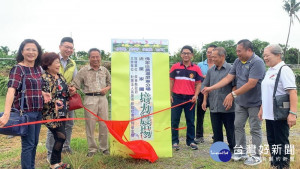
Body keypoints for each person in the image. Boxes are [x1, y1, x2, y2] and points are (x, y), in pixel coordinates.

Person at [202, 39, 265, 166]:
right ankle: (241, 152)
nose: (237, 53)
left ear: (248, 50)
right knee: (238, 126)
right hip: (241, 102)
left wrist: (233, 94)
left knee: (255, 129)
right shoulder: (238, 61)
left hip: (255, 102)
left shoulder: (257, 62)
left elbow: (251, 83)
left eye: (239, 51)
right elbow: (228, 78)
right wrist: (211, 88)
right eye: (236, 50)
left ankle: (256, 155)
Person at [0, 39, 49, 169]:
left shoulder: (38, 69)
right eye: (28, 49)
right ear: (22, 51)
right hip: (26, 113)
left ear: (38, 53)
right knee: (28, 145)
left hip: (38, 112)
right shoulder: (18, 69)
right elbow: (11, 91)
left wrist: (44, 94)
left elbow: (39, 87)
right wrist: (6, 114)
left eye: (34, 50)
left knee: (34, 143)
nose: (31, 52)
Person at [258, 44, 297, 169]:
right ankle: (275, 164)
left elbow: (292, 92)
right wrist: (262, 108)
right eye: (264, 55)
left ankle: (283, 166)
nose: (265, 58)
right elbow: (267, 92)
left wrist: (292, 113)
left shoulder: (284, 70)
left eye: (267, 55)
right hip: (269, 114)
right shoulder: (270, 70)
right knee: (272, 141)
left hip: (279, 114)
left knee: (281, 143)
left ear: (278, 55)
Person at [70, 48, 111, 157]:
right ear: (89, 58)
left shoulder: (104, 70)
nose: (95, 59)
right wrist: (73, 89)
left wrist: (107, 89)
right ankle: (92, 149)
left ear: (100, 57)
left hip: (103, 99)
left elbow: (110, 83)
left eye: (97, 56)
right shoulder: (83, 71)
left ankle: (104, 148)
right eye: (93, 57)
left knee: (104, 124)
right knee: (90, 124)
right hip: (89, 99)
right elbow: (75, 84)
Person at [46, 37, 77, 161]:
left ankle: (65, 146)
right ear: (60, 47)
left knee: (69, 123)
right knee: (53, 125)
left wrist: (73, 88)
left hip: (67, 98)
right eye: (66, 47)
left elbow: (74, 80)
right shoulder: (51, 59)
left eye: (71, 48)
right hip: (53, 99)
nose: (69, 50)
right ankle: (50, 153)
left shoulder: (72, 63)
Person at [201, 47, 235, 152]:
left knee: (230, 130)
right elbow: (205, 86)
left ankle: (233, 149)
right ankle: (219, 150)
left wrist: (232, 96)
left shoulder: (231, 68)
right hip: (214, 106)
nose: (212, 59)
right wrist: (204, 100)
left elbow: (235, 86)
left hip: (227, 107)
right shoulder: (211, 70)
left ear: (222, 56)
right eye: (211, 56)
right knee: (216, 130)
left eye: (214, 57)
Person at [170, 45, 203, 151]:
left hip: (190, 99)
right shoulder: (175, 67)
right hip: (177, 98)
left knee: (191, 121)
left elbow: (198, 84)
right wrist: (170, 95)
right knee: (174, 120)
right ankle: (174, 141)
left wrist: (196, 95)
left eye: (188, 53)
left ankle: (191, 141)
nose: (186, 55)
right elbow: (171, 81)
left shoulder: (196, 68)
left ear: (192, 55)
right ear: (181, 55)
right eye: (184, 53)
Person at [41, 52, 71, 169]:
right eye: (56, 62)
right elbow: (44, 97)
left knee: (61, 137)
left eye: (59, 62)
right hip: (51, 113)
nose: (58, 64)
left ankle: (58, 162)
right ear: (48, 65)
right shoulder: (44, 78)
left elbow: (65, 92)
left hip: (63, 111)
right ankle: (53, 163)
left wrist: (71, 91)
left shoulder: (61, 76)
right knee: (61, 136)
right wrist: (54, 102)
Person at [195, 44, 216, 144]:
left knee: (215, 115)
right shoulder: (200, 65)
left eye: (212, 52)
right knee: (199, 115)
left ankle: (216, 135)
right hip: (202, 93)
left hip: (215, 93)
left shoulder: (218, 64)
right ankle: (199, 136)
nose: (209, 54)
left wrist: (206, 77)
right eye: (208, 52)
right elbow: (197, 78)